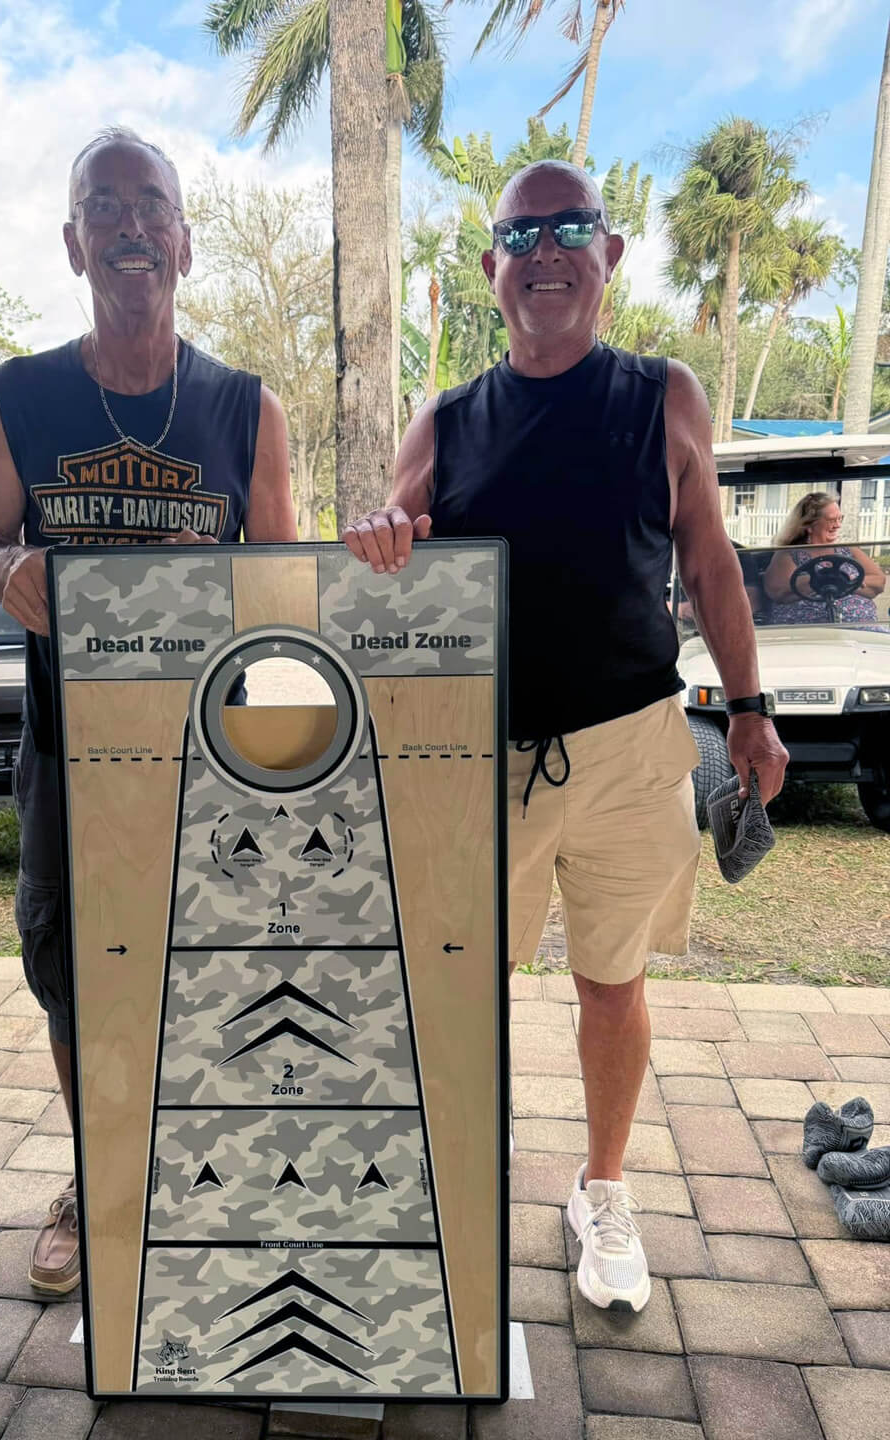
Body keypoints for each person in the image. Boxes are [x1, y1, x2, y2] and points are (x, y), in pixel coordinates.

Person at [343, 160, 788, 1315]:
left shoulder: (666, 396)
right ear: (491, 266)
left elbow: (711, 563)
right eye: (521, 234)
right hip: (477, 763)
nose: (546, 251)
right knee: (454, 989)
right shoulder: (445, 421)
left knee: (612, 984)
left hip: (633, 750)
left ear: (609, 254)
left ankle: (603, 1189)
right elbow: (389, 563)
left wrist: (751, 708)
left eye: (571, 229)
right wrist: (382, 538)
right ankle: (444, 1194)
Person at [0, 127, 296, 1295]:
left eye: (150, 203)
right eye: (101, 207)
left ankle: (210, 1174)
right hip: (69, 755)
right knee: (69, 972)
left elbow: (285, 592)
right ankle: (98, 1170)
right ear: (73, 244)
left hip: (212, 763)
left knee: (218, 973)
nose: (129, 225)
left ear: (185, 242)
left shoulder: (246, 409)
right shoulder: (16, 397)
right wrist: (10, 569)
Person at [762, 492, 886, 625]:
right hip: (810, 629)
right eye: (832, 520)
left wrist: (846, 581)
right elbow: (778, 592)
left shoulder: (849, 550)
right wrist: (819, 580)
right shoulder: (789, 554)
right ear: (809, 526)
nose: (838, 525)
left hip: (861, 626)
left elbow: (879, 582)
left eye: (840, 519)